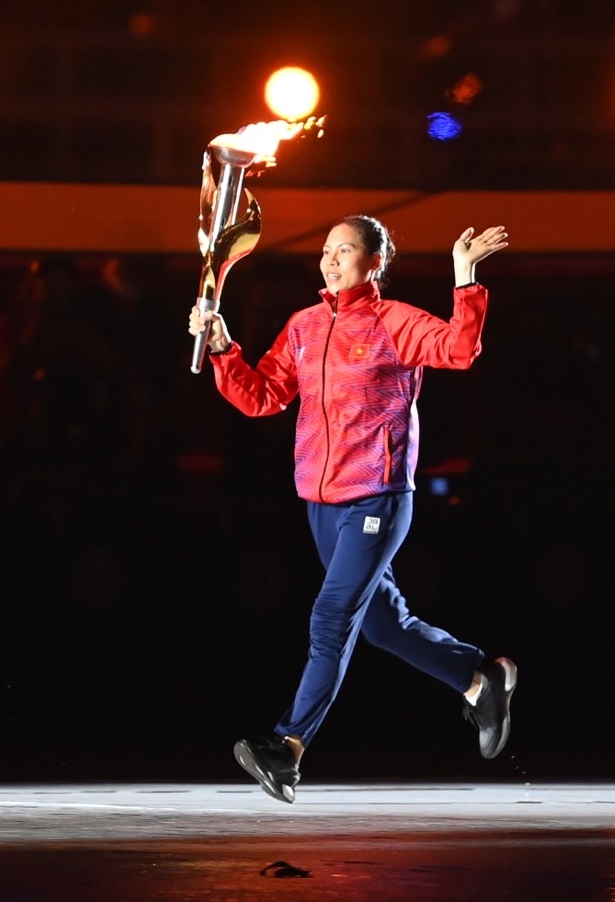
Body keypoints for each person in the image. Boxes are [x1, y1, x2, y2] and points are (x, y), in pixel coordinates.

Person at [191, 216, 516, 802]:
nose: (331, 260)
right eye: (326, 251)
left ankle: (287, 747)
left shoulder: (394, 322)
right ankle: (478, 679)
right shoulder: (305, 325)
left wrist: (464, 276)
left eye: (345, 250)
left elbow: (459, 349)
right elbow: (262, 396)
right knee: (383, 626)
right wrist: (221, 347)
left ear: (375, 262)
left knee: (330, 618)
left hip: (377, 497)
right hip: (322, 503)